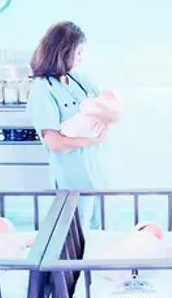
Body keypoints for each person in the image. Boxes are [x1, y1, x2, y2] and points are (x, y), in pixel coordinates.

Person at [27, 21, 113, 229]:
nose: (81, 58)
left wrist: (105, 118)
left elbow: (105, 107)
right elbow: (53, 142)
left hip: (95, 174)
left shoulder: (78, 80)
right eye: (78, 52)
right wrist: (93, 139)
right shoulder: (42, 89)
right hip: (71, 179)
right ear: (63, 52)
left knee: (97, 233)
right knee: (76, 233)